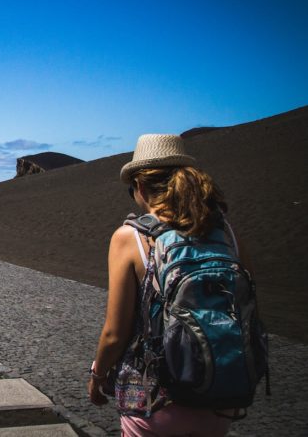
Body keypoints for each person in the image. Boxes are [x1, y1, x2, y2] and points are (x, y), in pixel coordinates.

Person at [88, 134, 245, 436]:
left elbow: (115, 332)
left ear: (141, 186)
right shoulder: (226, 232)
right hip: (221, 397)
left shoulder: (131, 237)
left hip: (154, 399)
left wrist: (97, 375)